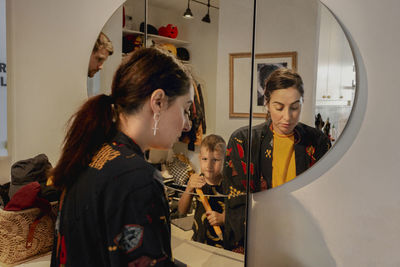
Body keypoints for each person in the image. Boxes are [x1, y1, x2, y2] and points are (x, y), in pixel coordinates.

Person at [50, 47, 193, 266]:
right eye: (185, 109)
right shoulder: (138, 179)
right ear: (158, 102)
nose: (186, 124)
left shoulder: (90, 154)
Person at [223, 68, 331, 252]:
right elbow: (236, 205)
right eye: (279, 107)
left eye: (295, 107)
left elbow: (325, 199)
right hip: (258, 243)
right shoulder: (243, 141)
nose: (287, 117)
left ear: (303, 103)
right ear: (266, 103)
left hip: (304, 241)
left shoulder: (317, 141)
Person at [177, 134, 226, 248]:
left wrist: (223, 218)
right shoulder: (197, 180)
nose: (209, 165)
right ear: (200, 158)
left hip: (221, 243)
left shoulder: (229, 184)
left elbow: (239, 212)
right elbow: (181, 211)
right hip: (198, 239)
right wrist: (189, 187)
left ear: (225, 160)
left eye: (215, 160)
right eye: (205, 159)